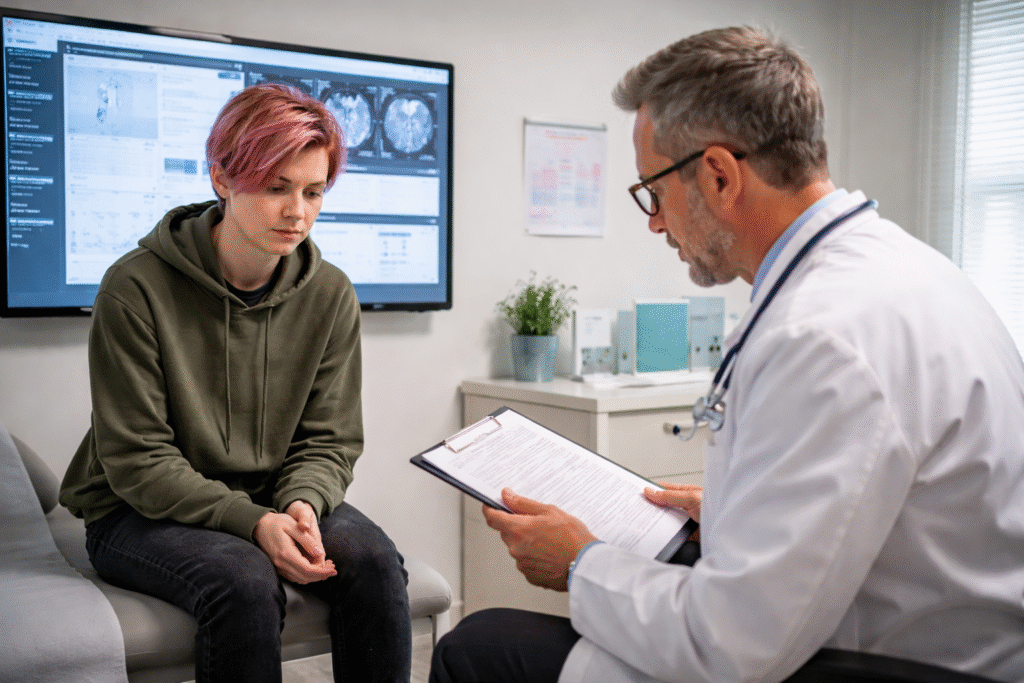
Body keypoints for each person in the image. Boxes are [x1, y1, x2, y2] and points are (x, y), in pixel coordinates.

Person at [429, 26, 1024, 683]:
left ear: (717, 175)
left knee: (479, 644)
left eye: (652, 192)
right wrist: (740, 508)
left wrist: (579, 562)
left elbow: (732, 649)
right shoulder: (900, 269)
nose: (655, 222)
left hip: (884, 663)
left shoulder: (822, 334)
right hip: (907, 630)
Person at [59, 83, 411, 683]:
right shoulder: (135, 288)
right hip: (134, 510)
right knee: (244, 581)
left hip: (271, 490)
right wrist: (250, 522)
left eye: (313, 191)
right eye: (276, 188)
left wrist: (302, 503)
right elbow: (138, 461)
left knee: (375, 562)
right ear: (222, 177)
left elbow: (329, 440)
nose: (297, 211)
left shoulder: (330, 294)